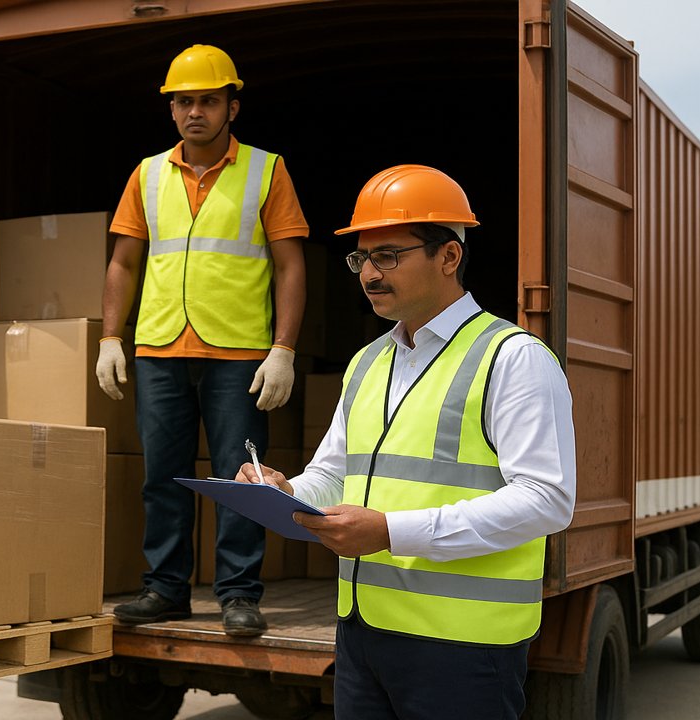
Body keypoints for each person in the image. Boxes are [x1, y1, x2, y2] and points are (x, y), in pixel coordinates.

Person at [237, 164, 576, 717]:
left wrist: (391, 531)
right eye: (361, 259)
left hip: (463, 645)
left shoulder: (512, 358)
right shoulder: (367, 362)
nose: (370, 274)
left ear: (449, 257)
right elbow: (334, 474)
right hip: (362, 632)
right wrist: (285, 492)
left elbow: (547, 499)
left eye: (388, 256)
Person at [97, 45, 308, 636]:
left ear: (232, 108)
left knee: (241, 478)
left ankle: (239, 594)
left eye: (209, 101)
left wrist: (284, 350)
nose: (196, 112)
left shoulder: (267, 170)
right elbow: (123, 262)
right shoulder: (146, 174)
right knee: (162, 477)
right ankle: (165, 589)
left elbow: (290, 265)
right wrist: (110, 337)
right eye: (184, 101)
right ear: (171, 109)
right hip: (160, 349)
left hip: (238, 353)